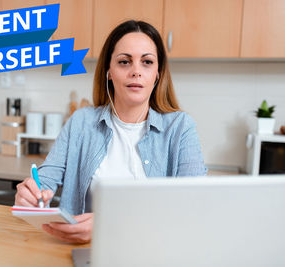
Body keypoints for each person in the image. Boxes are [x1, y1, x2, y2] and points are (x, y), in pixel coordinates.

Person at [14, 20, 207, 244]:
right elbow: (44, 183)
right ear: (109, 72)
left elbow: (193, 206)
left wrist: (107, 223)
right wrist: (29, 197)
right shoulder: (81, 122)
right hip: (83, 252)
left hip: (155, 250)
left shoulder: (181, 127)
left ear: (157, 73)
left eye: (147, 62)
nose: (136, 71)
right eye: (124, 62)